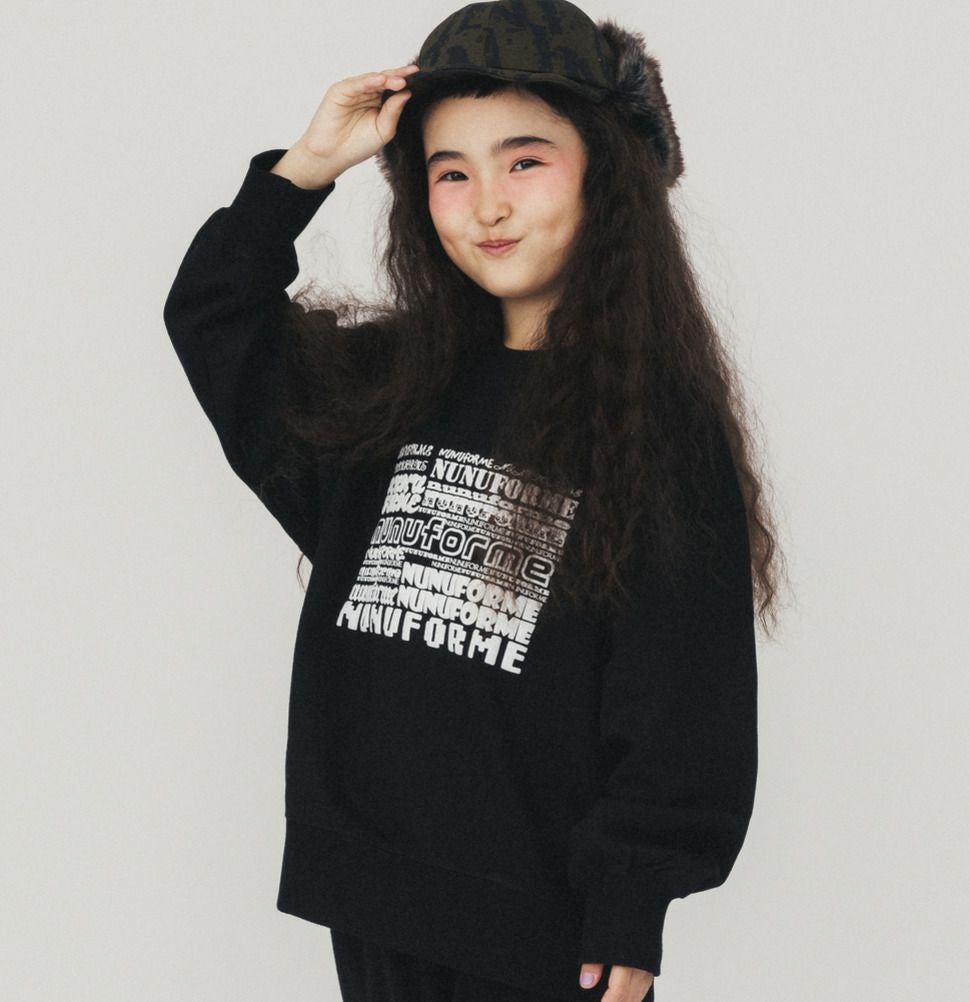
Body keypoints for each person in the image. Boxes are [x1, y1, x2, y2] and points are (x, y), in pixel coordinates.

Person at [162, 1, 784, 1000]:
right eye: (450, 172)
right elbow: (215, 316)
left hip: (540, 930)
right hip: (372, 896)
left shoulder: (652, 428)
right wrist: (305, 170)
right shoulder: (384, 394)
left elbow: (681, 696)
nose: (488, 204)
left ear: (606, 173)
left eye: (524, 161)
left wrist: (631, 903)